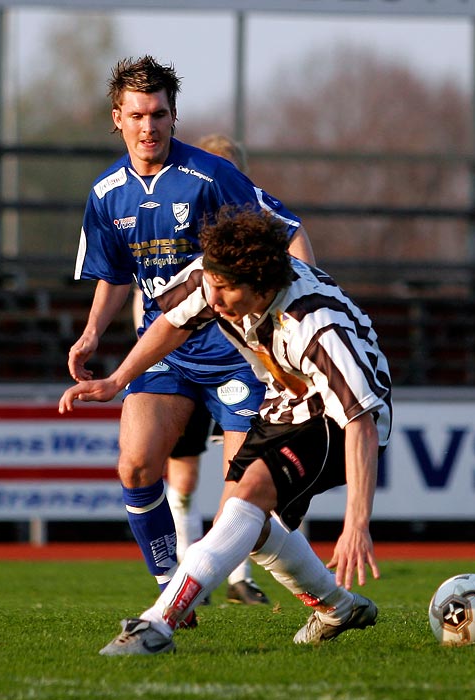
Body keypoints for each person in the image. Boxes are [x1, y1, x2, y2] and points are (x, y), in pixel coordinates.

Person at [59, 205, 392, 655]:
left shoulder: (315, 325)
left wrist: (357, 523)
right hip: (284, 399)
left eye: (226, 291)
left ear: (262, 287)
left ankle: (158, 625)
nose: (214, 299)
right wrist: (117, 380)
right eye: (212, 285)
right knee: (246, 528)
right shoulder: (214, 277)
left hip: (338, 418)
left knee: (245, 497)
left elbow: (362, 423)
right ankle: (338, 607)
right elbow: (173, 324)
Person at [68, 56, 315, 615]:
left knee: (245, 511)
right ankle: (169, 587)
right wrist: (89, 336)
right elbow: (112, 276)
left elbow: (287, 232)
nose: (148, 126)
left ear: (173, 114)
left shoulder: (211, 176)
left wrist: (300, 314)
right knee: (134, 465)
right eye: (137, 115)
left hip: (234, 354)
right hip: (165, 349)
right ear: (118, 118)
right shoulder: (107, 193)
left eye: (158, 113)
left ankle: (326, 596)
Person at [129, 132, 267, 605]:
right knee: (181, 476)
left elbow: (294, 245)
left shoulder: (252, 231)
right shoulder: (168, 230)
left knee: (243, 479)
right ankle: (190, 572)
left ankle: (235, 578)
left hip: (236, 365)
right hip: (179, 364)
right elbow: (149, 305)